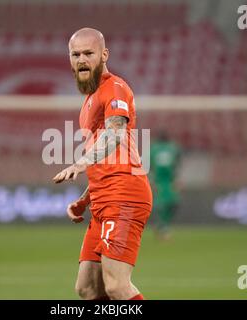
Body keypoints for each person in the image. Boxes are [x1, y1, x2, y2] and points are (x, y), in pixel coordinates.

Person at [52, 28, 152, 300]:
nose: (81, 59)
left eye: (88, 53)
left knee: (117, 286)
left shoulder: (115, 88)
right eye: (75, 54)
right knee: (88, 288)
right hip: (102, 199)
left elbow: (115, 134)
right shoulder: (88, 100)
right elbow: (104, 160)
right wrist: (85, 199)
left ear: (104, 54)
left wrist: (80, 163)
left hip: (125, 196)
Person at [150, 132, 182, 240]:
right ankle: (164, 229)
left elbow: (148, 165)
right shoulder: (172, 148)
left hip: (165, 181)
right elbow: (177, 164)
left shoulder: (153, 148)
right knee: (165, 204)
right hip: (162, 181)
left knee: (170, 204)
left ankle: (161, 226)